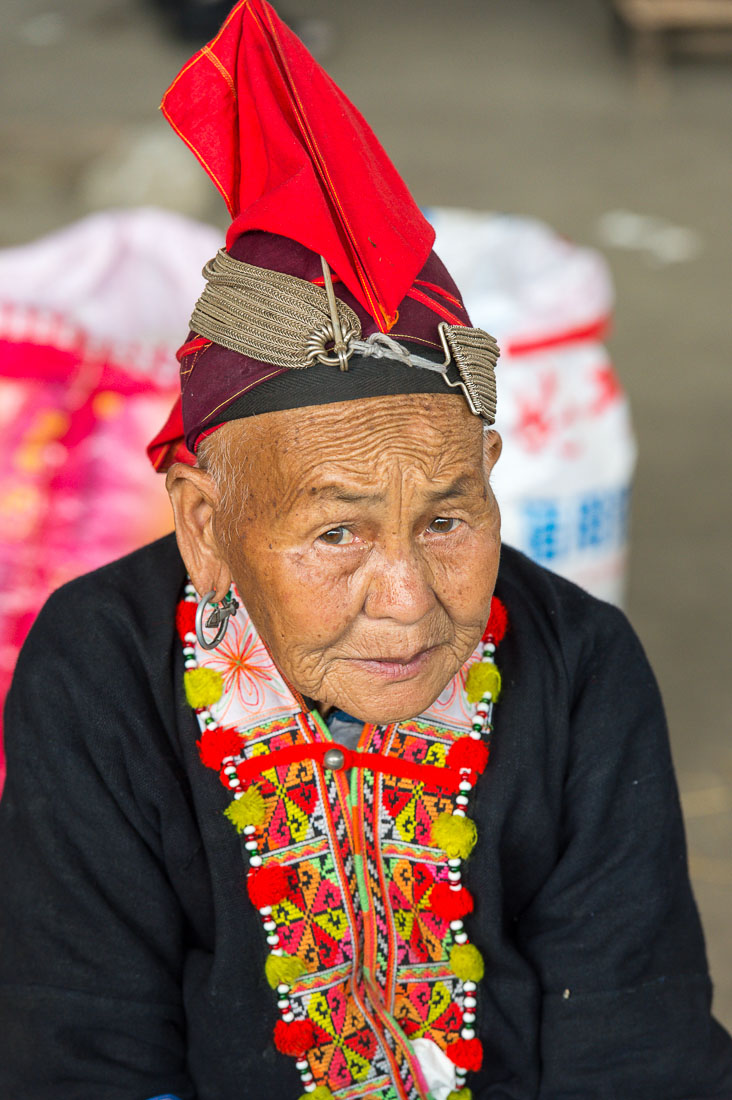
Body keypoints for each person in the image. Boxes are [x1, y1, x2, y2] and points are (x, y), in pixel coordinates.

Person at [1, 3, 731, 1098]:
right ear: (205, 523)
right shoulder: (99, 670)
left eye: (445, 517)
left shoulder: (580, 668)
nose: (408, 597)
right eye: (336, 530)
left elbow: (640, 1046)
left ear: (491, 471)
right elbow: (79, 1052)